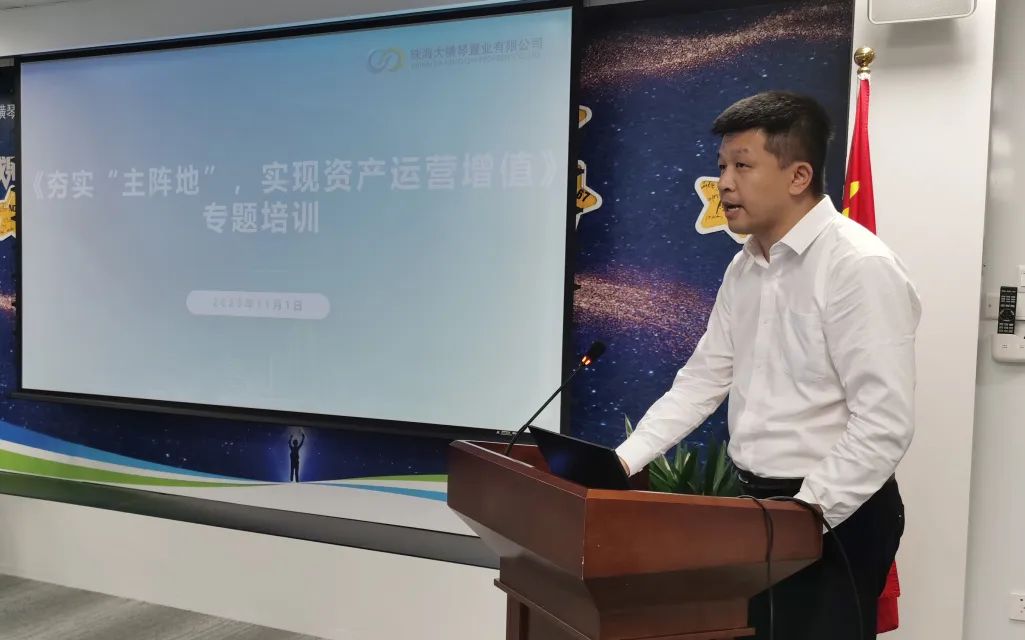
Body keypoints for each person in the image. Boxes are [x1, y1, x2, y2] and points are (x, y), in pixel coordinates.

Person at [615, 91, 920, 640]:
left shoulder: (858, 266)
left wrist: (803, 517)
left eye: (742, 166)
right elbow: (702, 381)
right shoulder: (744, 267)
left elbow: (884, 423)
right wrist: (623, 461)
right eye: (721, 167)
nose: (724, 184)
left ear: (798, 176)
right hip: (759, 510)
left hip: (834, 515)